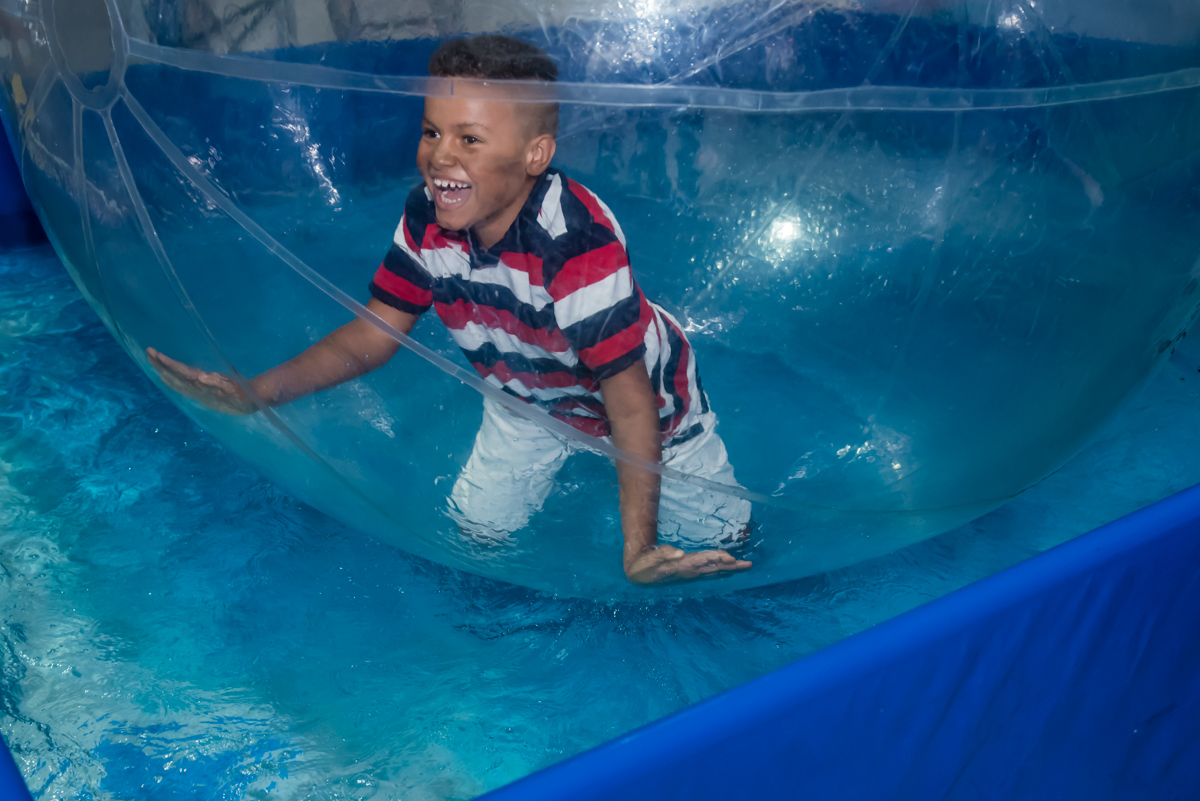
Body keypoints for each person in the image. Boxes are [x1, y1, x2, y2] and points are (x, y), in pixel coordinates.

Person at [147, 35, 753, 586]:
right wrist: (256, 394)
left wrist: (638, 548)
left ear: (535, 155)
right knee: (476, 544)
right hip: (526, 400)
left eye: (470, 139)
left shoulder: (574, 242)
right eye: (432, 132)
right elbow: (373, 336)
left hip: (655, 413)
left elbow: (630, 401)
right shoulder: (426, 221)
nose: (440, 156)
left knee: (721, 551)